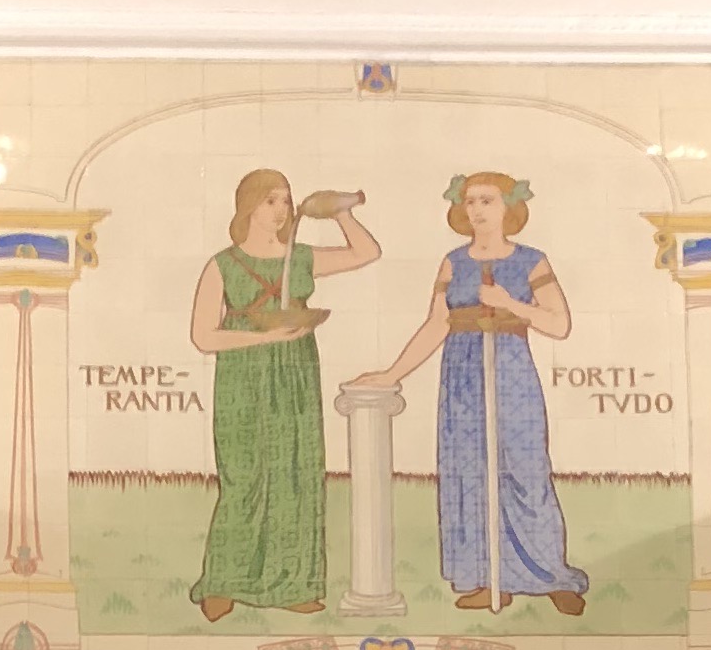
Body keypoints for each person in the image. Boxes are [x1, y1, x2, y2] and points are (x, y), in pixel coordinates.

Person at [365, 170, 586, 614]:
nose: (477, 210)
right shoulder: (453, 262)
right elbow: (437, 324)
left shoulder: (531, 261)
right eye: (470, 201)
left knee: (525, 471)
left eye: (487, 201)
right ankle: (486, 578)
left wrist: (510, 304)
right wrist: (393, 373)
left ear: (508, 207)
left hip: (510, 370)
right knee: (468, 475)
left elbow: (559, 324)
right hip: (462, 375)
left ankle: (549, 575)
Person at [187, 172, 380, 618]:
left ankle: (294, 585)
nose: (281, 209)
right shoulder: (223, 265)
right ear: (248, 206)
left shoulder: (302, 257)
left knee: (297, 473)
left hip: (295, 373)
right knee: (243, 478)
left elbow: (367, 253)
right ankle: (223, 583)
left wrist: (342, 213)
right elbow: (203, 336)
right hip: (242, 376)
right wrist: (263, 339)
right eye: (270, 200)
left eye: (286, 200)